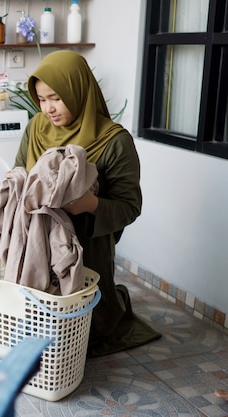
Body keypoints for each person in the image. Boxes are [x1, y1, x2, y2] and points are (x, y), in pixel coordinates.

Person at [13, 50, 161, 356]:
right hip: (35, 248)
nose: (47, 108)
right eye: (41, 99)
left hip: (88, 254)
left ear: (78, 89)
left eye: (55, 97)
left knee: (81, 334)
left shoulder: (114, 141)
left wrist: (91, 205)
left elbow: (129, 206)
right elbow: (19, 176)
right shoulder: (35, 129)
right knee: (34, 326)